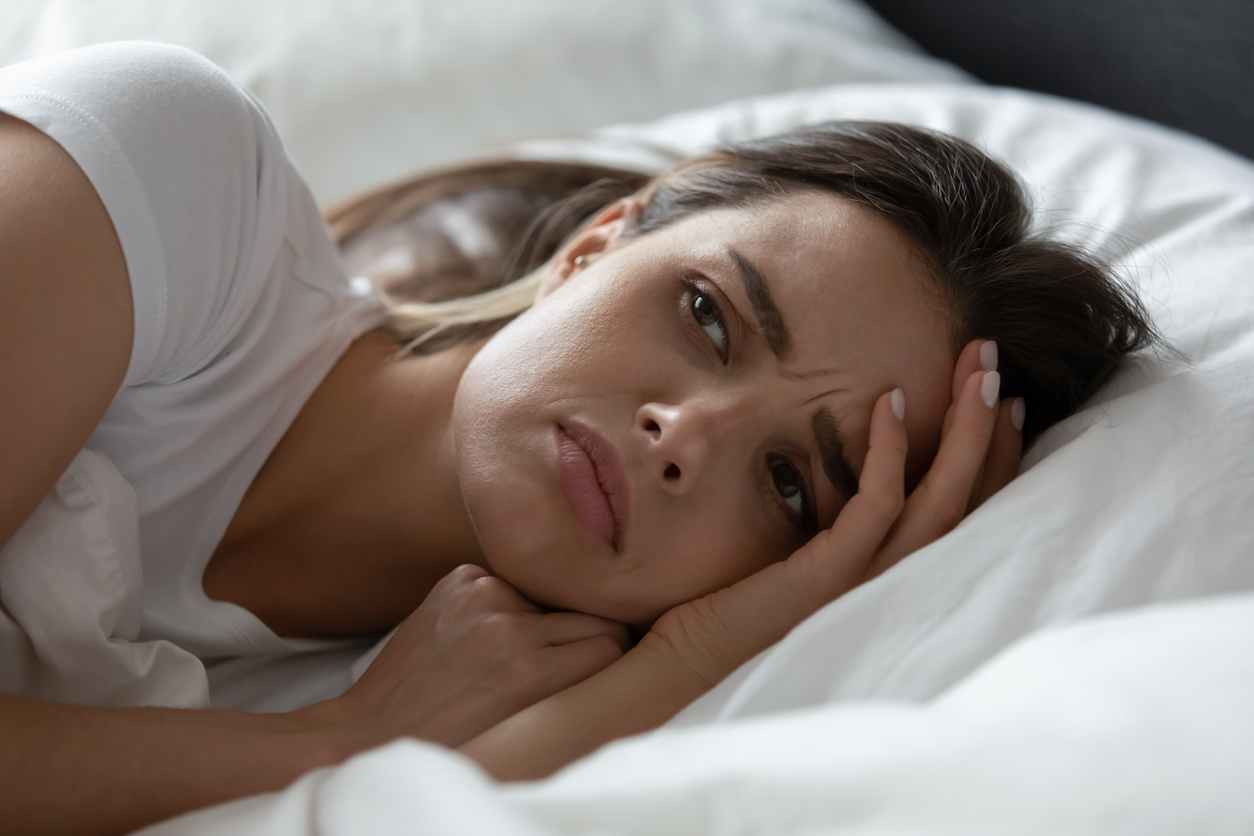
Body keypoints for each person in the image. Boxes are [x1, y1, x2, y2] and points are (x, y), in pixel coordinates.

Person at [0, 42, 1156, 836]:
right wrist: (330, 741)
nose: (682, 438)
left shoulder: (486, 692)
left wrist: (695, 657)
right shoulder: (170, 183)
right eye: (709, 314)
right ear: (597, 244)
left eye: (792, 485)